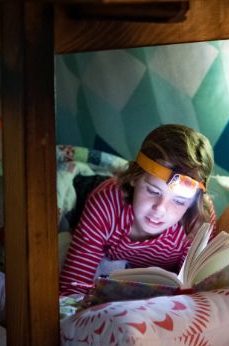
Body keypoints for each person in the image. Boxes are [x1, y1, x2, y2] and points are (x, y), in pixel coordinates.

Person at [58, 124, 215, 295]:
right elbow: (71, 287)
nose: (160, 208)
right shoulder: (106, 202)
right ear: (134, 177)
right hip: (97, 195)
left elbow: (194, 291)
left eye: (178, 201)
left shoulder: (198, 222)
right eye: (153, 191)